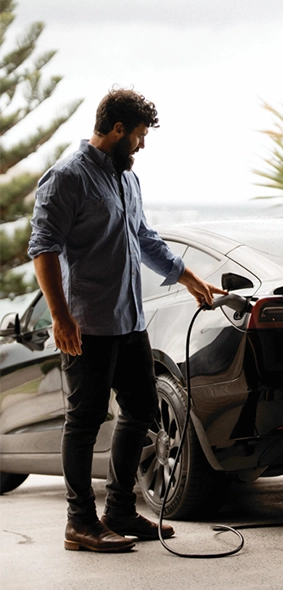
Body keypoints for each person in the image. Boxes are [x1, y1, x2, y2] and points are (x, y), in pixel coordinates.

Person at [28, 87, 224, 553]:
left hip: (130, 321)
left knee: (139, 411)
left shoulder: (126, 179)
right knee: (85, 421)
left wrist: (187, 277)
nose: (141, 144)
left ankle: (118, 509)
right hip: (88, 325)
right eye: (138, 135)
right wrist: (60, 317)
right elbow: (43, 249)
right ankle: (80, 523)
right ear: (116, 131)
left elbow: (144, 237)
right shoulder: (66, 178)